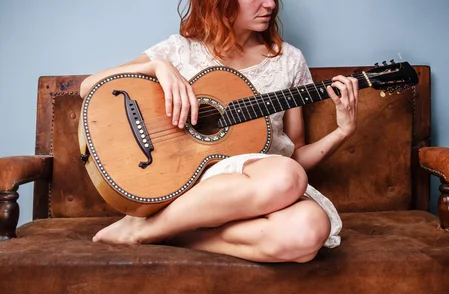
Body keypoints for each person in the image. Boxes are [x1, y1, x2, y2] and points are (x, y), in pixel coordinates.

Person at [79, 0, 358, 263]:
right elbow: (86, 87)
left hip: (263, 189)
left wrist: (342, 131)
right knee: (286, 174)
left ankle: (155, 232)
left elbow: (294, 155)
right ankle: (150, 228)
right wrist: (156, 67)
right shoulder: (180, 50)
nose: (271, 5)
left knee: (309, 229)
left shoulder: (289, 60)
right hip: (193, 186)